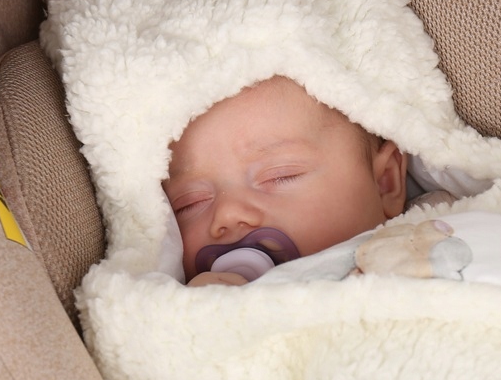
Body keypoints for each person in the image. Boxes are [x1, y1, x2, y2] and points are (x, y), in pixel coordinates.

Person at [163, 75, 409, 286]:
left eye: (281, 176)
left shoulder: (422, 259)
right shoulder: (174, 301)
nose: (227, 213)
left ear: (384, 182)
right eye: (189, 203)